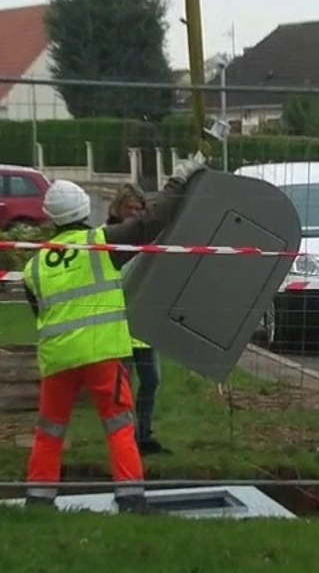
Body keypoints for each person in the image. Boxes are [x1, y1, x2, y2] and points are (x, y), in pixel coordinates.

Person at [22, 159, 206, 509]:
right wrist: (179, 180)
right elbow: (151, 221)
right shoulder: (101, 243)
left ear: (51, 218)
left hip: (57, 358)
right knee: (119, 425)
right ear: (84, 211)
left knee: (49, 430)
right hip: (102, 354)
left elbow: (39, 311)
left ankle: (39, 499)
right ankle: (131, 499)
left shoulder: (34, 265)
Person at [106, 184, 168, 456]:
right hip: (117, 323)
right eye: (128, 208)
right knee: (123, 385)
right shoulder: (106, 237)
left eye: (138, 208)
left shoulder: (147, 239)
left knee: (151, 380)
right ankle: (125, 436)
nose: (133, 213)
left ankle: (144, 433)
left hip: (143, 323)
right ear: (117, 209)